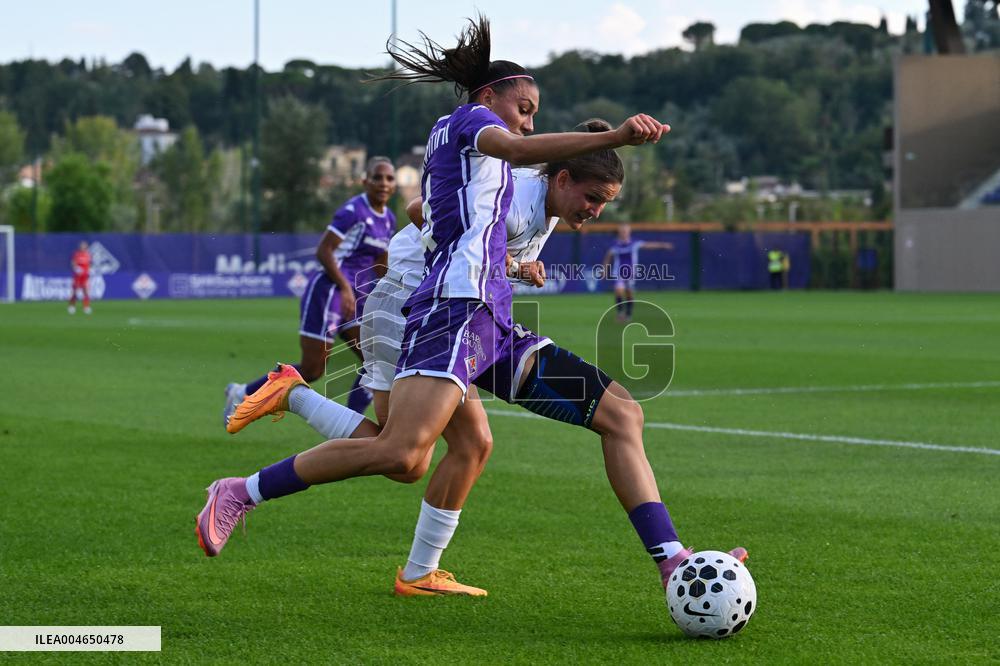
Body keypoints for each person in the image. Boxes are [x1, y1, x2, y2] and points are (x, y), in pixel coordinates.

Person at [197, 16, 741, 598]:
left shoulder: (505, 174)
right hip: (444, 304)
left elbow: (499, 182)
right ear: (488, 95)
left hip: (487, 316)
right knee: (402, 452)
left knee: (613, 417)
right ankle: (243, 486)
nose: (529, 121)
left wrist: (514, 262)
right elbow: (477, 178)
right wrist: (612, 138)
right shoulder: (471, 124)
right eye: (524, 107)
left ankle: (670, 558)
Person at [221, 157, 397, 426]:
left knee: (376, 360)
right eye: (377, 177)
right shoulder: (353, 211)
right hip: (329, 292)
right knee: (313, 369)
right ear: (365, 182)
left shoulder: (388, 219)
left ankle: (354, 425)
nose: (383, 183)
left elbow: (379, 261)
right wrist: (344, 286)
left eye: (389, 178)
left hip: (355, 297)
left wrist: (392, 292)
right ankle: (242, 393)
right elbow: (324, 251)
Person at [603, 224, 673, 322]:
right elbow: (608, 256)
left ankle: (628, 314)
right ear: (619, 232)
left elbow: (649, 245)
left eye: (625, 231)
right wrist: (604, 270)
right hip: (618, 272)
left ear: (629, 232)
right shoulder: (615, 245)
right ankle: (620, 314)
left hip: (631, 273)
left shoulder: (634, 243)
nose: (623, 233)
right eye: (622, 231)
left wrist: (663, 245)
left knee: (629, 294)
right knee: (618, 291)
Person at [68, 241, 91, 315]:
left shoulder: (88, 255)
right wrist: (76, 268)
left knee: (86, 291)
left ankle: (86, 307)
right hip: (77, 276)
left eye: (84, 246)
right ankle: (72, 306)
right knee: (75, 291)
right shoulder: (77, 254)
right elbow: (73, 263)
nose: (83, 247)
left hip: (85, 277)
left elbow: (89, 264)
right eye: (82, 246)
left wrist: (88, 271)